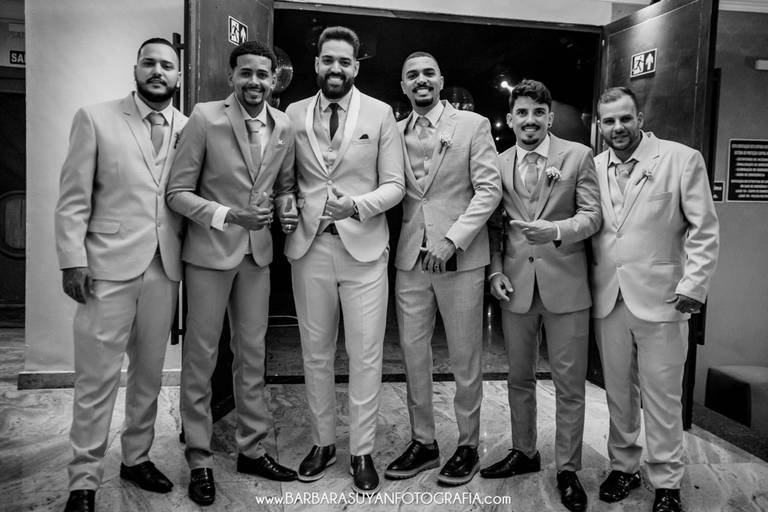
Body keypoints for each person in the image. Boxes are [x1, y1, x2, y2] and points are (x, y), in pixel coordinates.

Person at [54, 38, 187, 512]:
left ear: (178, 75)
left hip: (165, 268)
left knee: (149, 374)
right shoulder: (95, 118)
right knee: (97, 378)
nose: (158, 71)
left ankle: (137, 458)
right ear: (135, 69)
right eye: (149, 63)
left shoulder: (189, 128)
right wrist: (72, 259)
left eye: (167, 65)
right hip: (105, 268)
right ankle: (83, 480)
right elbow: (73, 198)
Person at [166, 40, 298, 507]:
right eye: (246, 73)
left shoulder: (284, 125)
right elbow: (177, 192)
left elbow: (284, 187)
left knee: (253, 356)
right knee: (201, 359)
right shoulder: (204, 117)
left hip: (257, 257)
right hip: (208, 255)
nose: (254, 81)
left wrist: (287, 210)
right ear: (231, 76)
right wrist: (229, 216)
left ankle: (252, 449)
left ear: (273, 79)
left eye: (263, 74)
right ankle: (199, 457)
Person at [281, 26, 405, 496]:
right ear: (317, 63)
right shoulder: (292, 113)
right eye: (328, 60)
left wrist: (355, 206)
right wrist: (285, 205)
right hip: (309, 248)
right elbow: (285, 180)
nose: (336, 68)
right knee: (315, 352)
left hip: (365, 250)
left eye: (345, 61)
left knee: (365, 354)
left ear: (356, 67)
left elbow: (395, 186)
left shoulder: (380, 113)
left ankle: (362, 451)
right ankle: (322, 443)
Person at [591, 87, 718, 512]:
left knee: (663, 397)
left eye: (625, 118)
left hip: (665, 300)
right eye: (609, 121)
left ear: (640, 118)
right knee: (618, 394)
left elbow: (704, 229)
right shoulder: (594, 167)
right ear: (600, 125)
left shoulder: (681, 159)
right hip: (608, 298)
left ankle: (667, 482)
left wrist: (693, 285)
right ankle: (623, 467)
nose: (618, 127)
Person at [481, 79, 601, 512]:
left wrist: (556, 230)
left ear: (549, 117)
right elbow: (494, 226)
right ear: (510, 119)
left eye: (537, 112)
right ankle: (524, 451)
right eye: (522, 113)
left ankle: (567, 469)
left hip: (566, 287)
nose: (529, 120)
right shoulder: (497, 163)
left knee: (569, 385)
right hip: (515, 287)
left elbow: (592, 216)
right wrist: (495, 271)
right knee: (518, 379)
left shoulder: (577, 156)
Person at [384, 52, 501, 485]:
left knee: (465, 356)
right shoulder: (394, 133)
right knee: (413, 354)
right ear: (403, 86)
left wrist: (453, 239)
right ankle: (424, 442)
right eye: (412, 74)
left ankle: (467, 445)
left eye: (428, 73)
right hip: (410, 258)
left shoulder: (472, 125)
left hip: (461, 258)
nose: (421, 80)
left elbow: (489, 190)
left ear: (440, 80)